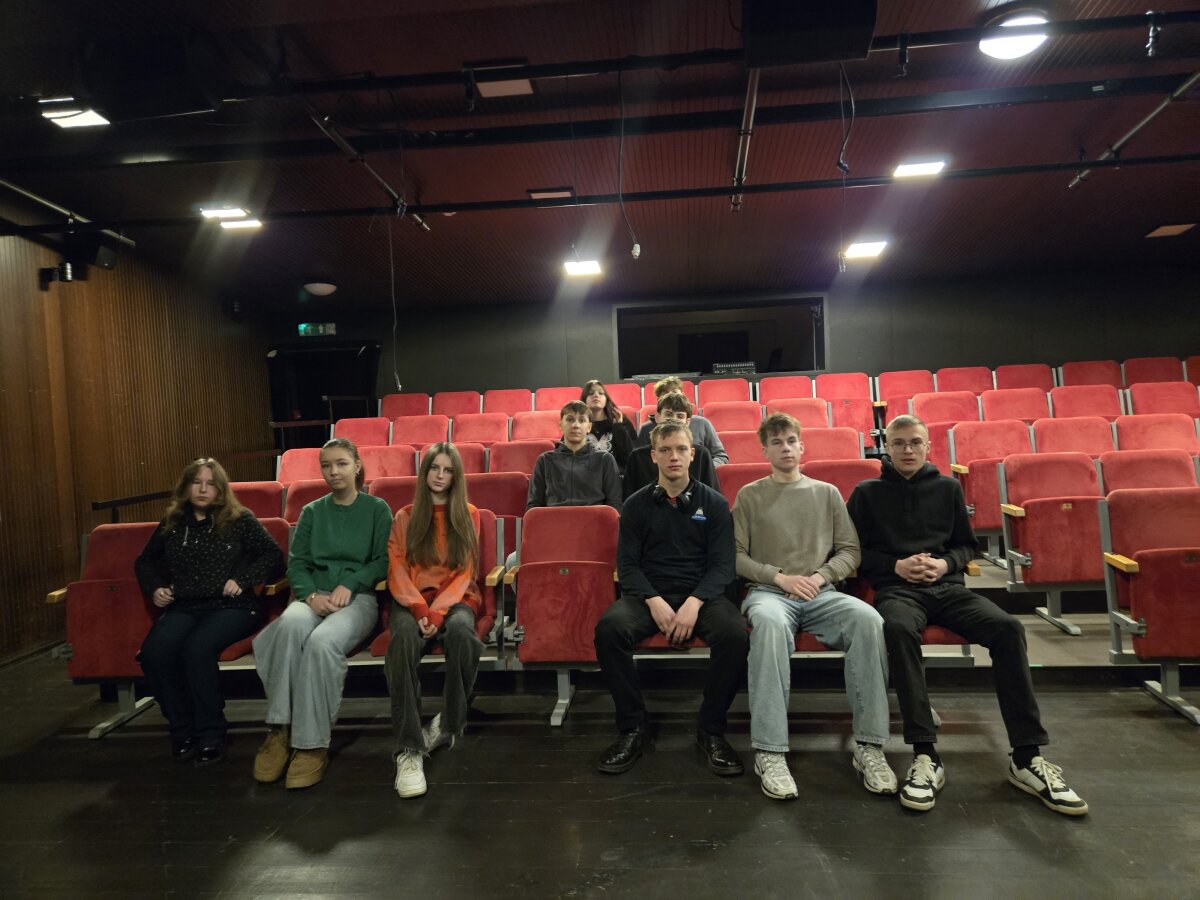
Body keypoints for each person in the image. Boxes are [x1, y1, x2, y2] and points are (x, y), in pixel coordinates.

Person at [847, 414, 1087, 816]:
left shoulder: (947, 488)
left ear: (928, 447)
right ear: (886, 448)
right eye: (899, 443)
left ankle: (1027, 755)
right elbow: (853, 551)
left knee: (1008, 628)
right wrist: (896, 566)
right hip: (897, 590)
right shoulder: (866, 493)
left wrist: (944, 564)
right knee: (898, 630)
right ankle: (925, 754)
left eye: (915, 442)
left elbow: (966, 545)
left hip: (948, 589)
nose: (907, 449)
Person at [733, 414, 895, 800]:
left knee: (869, 619)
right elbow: (735, 556)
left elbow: (850, 551)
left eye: (791, 440)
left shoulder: (827, 493)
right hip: (769, 593)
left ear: (802, 446)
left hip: (821, 592)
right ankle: (770, 751)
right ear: (765, 451)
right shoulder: (749, 496)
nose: (785, 448)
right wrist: (780, 578)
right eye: (777, 442)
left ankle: (870, 746)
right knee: (769, 625)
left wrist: (820, 578)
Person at [594, 421, 748, 776]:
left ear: (693, 454)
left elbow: (723, 566)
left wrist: (694, 602)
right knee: (609, 630)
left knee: (734, 635)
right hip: (650, 595)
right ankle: (633, 728)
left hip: (702, 596)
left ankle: (711, 730)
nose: (673, 456)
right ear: (654, 456)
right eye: (665, 450)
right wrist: (654, 600)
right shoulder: (635, 505)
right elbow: (627, 566)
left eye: (680, 449)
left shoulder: (714, 503)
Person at [252, 438, 392, 789]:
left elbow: (383, 560)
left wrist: (352, 583)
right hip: (314, 597)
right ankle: (281, 729)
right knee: (288, 624)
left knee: (322, 642)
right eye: (326, 465)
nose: (334, 471)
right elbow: (297, 564)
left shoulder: (377, 509)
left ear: (357, 466)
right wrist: (311, 595)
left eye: (341, 463)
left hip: (358, 599)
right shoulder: (312, 512)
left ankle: (311, 744)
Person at [135, 458, 283, 764]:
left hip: (232, 607)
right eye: (196, 483)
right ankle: (182, 729)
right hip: (185, 605)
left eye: (210, 484)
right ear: (186, 486)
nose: (203, 490)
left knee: (196, 649)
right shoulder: (173, 523)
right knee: (154, 652)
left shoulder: (239, 519)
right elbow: (145, 561)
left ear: (220, 489)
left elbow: (272, 555)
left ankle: (211, 733)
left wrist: (243, 579)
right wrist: (155, 587)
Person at [387, 443, 484, 799]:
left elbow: (466, 572)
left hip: (456, 599)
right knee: (401, 642)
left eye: (448, 470)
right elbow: (397, 568)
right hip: (412, 599)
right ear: (424, 471)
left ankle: (450, 721)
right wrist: (419, 608)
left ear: (456, 476)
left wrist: (438, 611)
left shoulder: (468, 514)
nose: (440, 476)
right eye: (434, 468)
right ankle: (409, 747)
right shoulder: (405, 516)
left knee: (461, 633)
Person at [527, 400, 623, 512]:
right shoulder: (545, 460)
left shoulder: (605, 459)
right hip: (555, 521)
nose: (575, 425)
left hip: (594, 521)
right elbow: (533, 506)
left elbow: (614, 504)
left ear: (589, 427)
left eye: (581, 420)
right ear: (560, 424)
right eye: (569, 419)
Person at [623, 392, 721, 498]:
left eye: (680, 416)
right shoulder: (637, 457)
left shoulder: (702, 454)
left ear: (687, 422)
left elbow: (713, 498)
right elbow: (629, 500)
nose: (674, 420)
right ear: (657, 417)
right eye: (668, 414)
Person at [634, 377, 729, 465]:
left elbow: (720, 456)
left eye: (674, 392)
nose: (671, 397)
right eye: (665, 394)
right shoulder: (646, 428)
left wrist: (704, 470)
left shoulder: (702, 424)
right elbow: (639, 461)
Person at [581, 379, 638, 473]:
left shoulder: (621, 421)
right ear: (584, 400)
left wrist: (618, 427)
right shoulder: (578, 424)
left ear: (606, 399)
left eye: (601, 393)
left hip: (616, 474)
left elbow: (631, 455)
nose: (596, 395)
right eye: (591, 393)